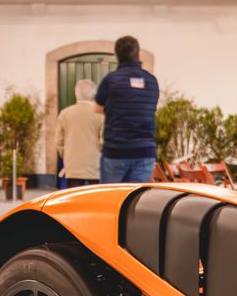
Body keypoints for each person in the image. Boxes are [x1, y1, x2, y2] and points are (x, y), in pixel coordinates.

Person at [94, 36, 159, 183]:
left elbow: (98, 108)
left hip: (116, 151)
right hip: (144, 152)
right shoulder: (151, 81)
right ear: (138, 54)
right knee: (136, 196)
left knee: (111, 195)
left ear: (117, 55)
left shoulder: (111, 80)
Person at [55, 78, 103, 186]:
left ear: (76, 94)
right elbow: (104, 141)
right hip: (94, 168)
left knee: (75, 195)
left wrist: (66, 154)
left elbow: (58, 141)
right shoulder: (100, 114)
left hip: (72, 166)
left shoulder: (64, 113)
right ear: (93, 95)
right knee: (95, 195)